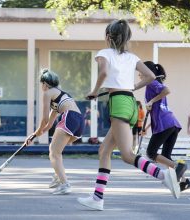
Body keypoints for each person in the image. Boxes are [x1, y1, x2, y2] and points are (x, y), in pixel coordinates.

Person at [77, 19, 180, 211]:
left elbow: (103, 73)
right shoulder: (132, 57)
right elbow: (150, 76)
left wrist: (94, 91)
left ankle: (163, 175)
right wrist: (133, 87)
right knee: (104, 151)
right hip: (130, 103)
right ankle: (97, 198)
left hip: (119, 104)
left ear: (108, 37)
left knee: (127, 155)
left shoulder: (104, 53)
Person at [26, 69, 85, 195]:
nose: (41, 87)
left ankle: (65, 184)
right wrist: (34, 135)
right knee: (56, 151)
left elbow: (44, 119)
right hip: (80, 121)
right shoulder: (58, 96)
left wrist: (34, 133)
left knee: (54, 152)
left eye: (41, 84)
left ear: (45, 84)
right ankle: (59, 177)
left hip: (70, 117)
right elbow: (48, 125)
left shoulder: (47, 93)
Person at [142, 61, 190, 192]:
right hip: (171, 123)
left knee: (151, 153)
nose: (139, 74)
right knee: (166, 156)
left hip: (165, 124)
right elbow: (156, 110)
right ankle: (185, 181)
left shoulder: (151, 83)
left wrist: (151, 101)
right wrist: (146, 128)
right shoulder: (153, 84)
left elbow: (167, 90)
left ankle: (178, 167)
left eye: (141, 71)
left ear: (148, 73)